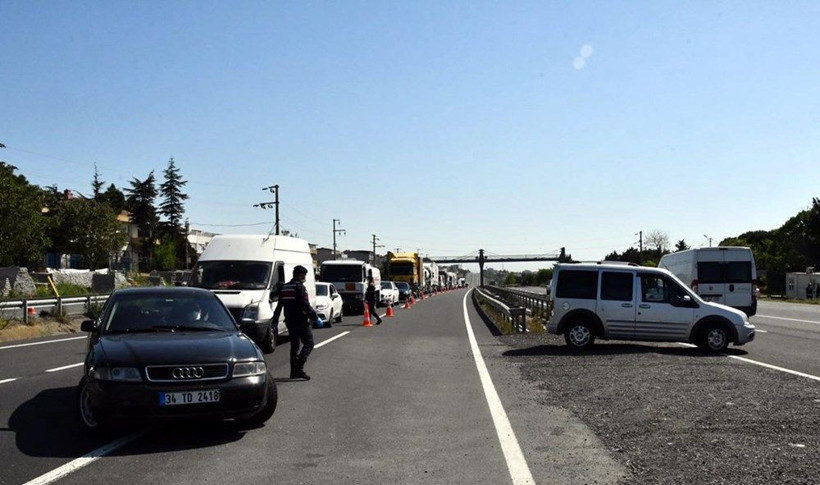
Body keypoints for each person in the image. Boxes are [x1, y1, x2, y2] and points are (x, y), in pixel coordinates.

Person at [272, 265, 317, 380]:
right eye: (304, 275)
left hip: (290, 321)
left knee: (294, 346)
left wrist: (275, 320)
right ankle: (299, 368)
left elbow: (279, 305)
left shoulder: (285, 287)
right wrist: (314, 316)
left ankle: (293, 373)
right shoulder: (299, 287)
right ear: (300, 275)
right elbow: (304, 304)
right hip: (301, 320)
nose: (305, 277)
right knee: (309, 343)